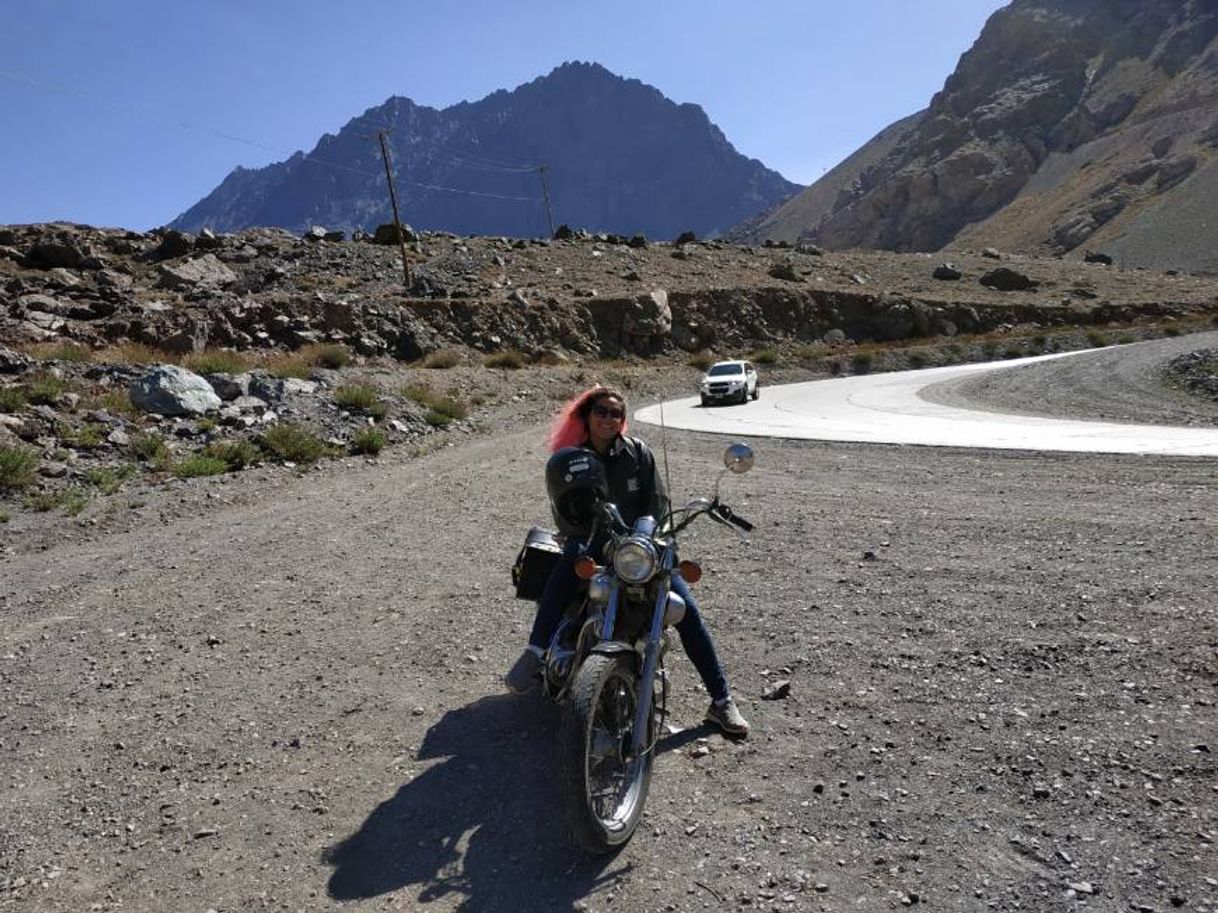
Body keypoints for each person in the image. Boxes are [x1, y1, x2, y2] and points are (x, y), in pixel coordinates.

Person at [505, 384, 750, 737]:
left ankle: (721, 700)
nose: (608, 418)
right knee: (568, 561)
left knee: (684, 609)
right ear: (587, 416)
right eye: (601, 411)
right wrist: (583, 531)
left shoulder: (638, 453)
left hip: (640, 545)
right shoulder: (572, 457)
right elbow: (564, 510)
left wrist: (650, 536)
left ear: (623, 420)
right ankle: (536, 650)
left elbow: (658, 503)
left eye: (615, 413)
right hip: (594, 542)